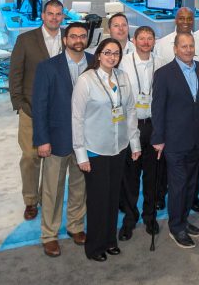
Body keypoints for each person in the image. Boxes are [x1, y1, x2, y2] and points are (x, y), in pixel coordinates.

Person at [72, 38, 141, 262]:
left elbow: (130, 110)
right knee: (98, 199)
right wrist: (81, 153)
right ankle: (94, 246)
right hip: (95, 149)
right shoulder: (86, 80)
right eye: (107, 52)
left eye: (116, 54)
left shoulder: (122, 77)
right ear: (98, 55)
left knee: (113, 197)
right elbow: (77, 119)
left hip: (118, 147)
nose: (112, 57)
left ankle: (110, 240)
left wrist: (134, 143)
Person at [32, 22, 92, 257]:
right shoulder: (48, 67)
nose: (78, 40)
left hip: (85, 140)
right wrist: (42, 139)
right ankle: (49, 234)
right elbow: (40, 106)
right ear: (65, 40)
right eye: (74, 36)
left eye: (82, 36)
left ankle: (75, 226)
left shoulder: (94, 62)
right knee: (52, 190)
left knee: (80, 187)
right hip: (57, 139)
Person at [151, 32, 199, 249]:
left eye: (191, 46)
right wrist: (158, 138)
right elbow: (157, 109)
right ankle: (176, 226)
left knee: (191, 183)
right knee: (178, 185)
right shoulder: (163, 74)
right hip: (174, 141)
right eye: (184, 46)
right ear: (175, 49)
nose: (188, 50)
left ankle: (184, 219)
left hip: (196, 138)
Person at [9, 0, 65, 221]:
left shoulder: (69, 39)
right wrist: (19, 104)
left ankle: (48, 197)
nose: (54, 18)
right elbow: (15, 74)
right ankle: (31, 200)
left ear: (63, 16)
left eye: (58, 14)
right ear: (43, 16)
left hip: (59, 112)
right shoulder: (26, 40)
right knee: (31, 156)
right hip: (31, 109)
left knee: (54, 159)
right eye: (50, 13)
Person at [118, 26, 166, 241]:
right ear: (134, 40)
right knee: (130, 175)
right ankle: (129, 219)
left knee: (152, 174)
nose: (146, 42)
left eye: (150, 38)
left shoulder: (161, 63)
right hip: (132, 124)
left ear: (154, 41)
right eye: (142, 38)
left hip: (154, 124)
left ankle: (149, 216)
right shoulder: (124, 63)